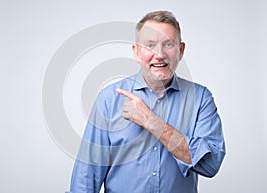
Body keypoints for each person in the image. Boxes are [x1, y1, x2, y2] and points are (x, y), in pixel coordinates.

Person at [67, 10, 226, 193]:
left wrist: (152, 122)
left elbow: (210, 164)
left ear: (181, 51)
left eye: (168, 44)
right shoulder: (109, 99)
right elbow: (86, 177)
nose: (159, 54)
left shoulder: (200, 99)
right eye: (150, 45)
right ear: (136, 52)